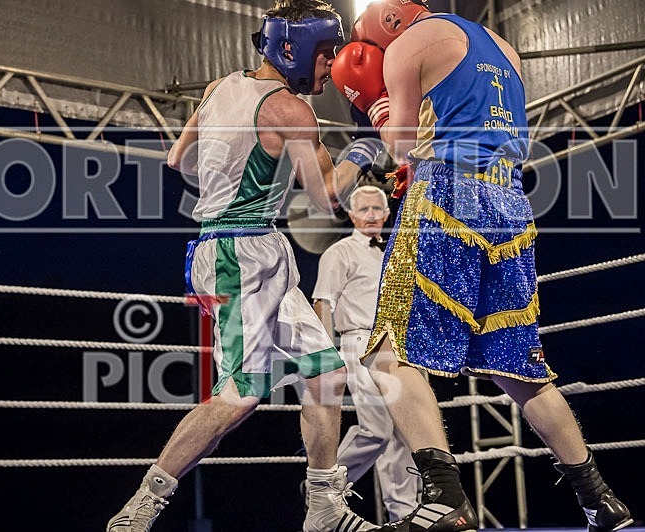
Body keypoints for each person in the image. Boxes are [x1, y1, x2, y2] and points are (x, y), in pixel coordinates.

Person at [327, 1, 635, 532]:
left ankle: (443, 498)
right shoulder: (506, 51)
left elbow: (400, 148)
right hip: (510, 205)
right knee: (518, 368)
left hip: (446, 196)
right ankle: (600, 498)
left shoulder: (406, 46)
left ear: (389, 24)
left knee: (387, 352)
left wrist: (380, 112)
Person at [106, 1, 387, 531]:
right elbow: (326, 197)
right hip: (239, 254)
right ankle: (141, 508)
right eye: (325, 54)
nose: (330, 67)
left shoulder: (218, 87)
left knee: (326, 372)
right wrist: (366, 147)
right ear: (293, 50)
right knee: (240, 394)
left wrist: (235, 164)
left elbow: (178, 161)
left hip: (251, 245)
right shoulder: (288, 109)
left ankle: (325, 505)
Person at [309, 185, 418, 523]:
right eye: (364, 209)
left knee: (405, 433)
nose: (371, 215)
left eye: (376, 209)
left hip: (399, 345)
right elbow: (323, 302)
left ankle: (403, 513)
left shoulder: (398, 252)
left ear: (387, 214)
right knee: (377, 428)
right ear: (352, 215)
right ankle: (324, 486)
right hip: (357, 344)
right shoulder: (339, 252)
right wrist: (326, 356)